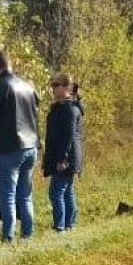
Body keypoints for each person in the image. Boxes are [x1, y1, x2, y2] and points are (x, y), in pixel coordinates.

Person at [0, 49, 40, 242]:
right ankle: (28, 234)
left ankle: (9, 237)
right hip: (31, 145)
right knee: (25, 195)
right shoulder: (28, 86)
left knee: (8, 195)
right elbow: (35, 114)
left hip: (10, 147)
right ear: (10, 62)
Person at [42, 73, 84, 232]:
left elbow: (68, 136)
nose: (52, 89)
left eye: (56, 85)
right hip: (64, 155)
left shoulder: (69, 109)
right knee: (66, 190)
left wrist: (62, 159)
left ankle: (61, 226)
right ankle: (69, 224)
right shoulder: (61, 107)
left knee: (56, 192)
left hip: (66, 157)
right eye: (52, 85)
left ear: (66, 87)